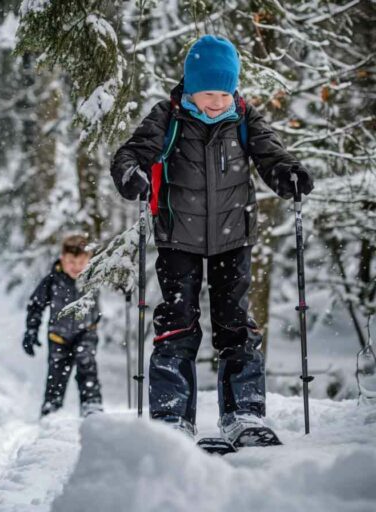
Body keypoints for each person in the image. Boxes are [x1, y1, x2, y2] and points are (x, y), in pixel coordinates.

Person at [110, 35, 314, 445]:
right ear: (190, 88)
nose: (218, 101)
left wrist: (288, 174)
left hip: (233, 238)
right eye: (209, 93)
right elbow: (129, 155)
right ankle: (171, 417)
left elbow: (270, 156)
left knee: (236, 325)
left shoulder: (243, 116)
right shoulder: (166, 117)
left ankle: (244, 414)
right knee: (177, 324)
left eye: (225, 92)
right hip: (177, 239)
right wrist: (131, 175)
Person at [22, 234, 103, 418]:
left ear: (89, 260)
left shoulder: (95, 276)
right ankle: (52, 407)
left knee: (87, 365)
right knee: (56, 375)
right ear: (62, 259)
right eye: (71, 262)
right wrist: (31, 331)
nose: (76, 267)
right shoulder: (53, 280)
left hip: (86, 331)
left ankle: (92, 405)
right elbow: (36, 305)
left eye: (81, 262)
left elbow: (118, 277)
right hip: (58, 336)